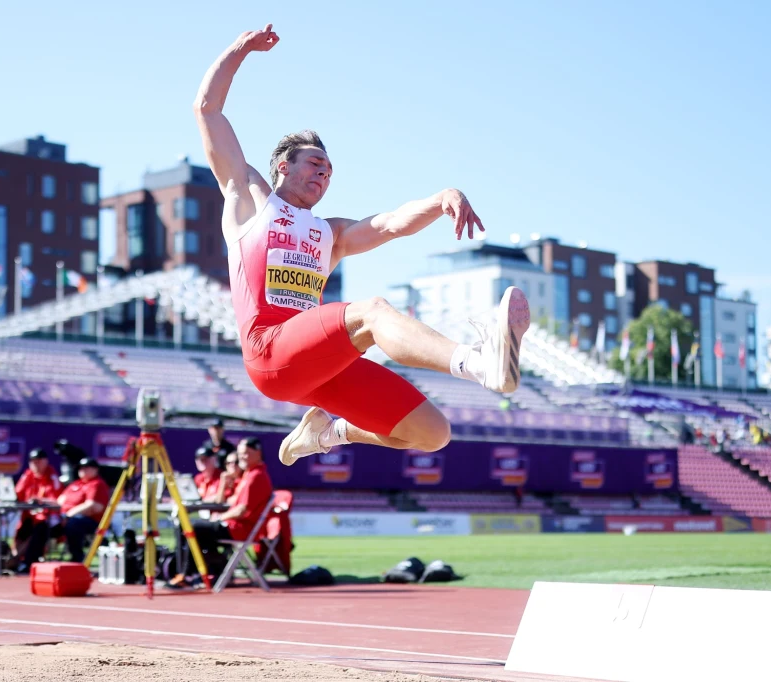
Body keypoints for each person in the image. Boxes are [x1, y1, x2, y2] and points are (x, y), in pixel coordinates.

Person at [194, 25, 530, 468]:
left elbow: (390, 224)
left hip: (317, 367)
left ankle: (325, 433)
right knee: (372, 312)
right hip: (269, 350)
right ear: (282, 166)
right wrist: (240, 49)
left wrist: (439, 199)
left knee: (431, 433)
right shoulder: (249, 196)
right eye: (315, 163)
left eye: (329, 171)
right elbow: (208, 110)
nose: (323, 174)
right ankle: (481, 363)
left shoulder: (330, 234)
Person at [185, 437, 273, 580]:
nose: (241, 458)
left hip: (240, 529)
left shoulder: (255, 476)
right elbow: (234, 502)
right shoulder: (249, 475)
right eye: (239, 454)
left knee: (192, 527)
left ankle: (190, 574)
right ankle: (208, 570)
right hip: (237, 526)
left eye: (245, 453)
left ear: (258, 452)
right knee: (197, 528)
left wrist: (220, 518)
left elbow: (241, 510)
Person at [10, 448, 61, 572]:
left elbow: (57, 501)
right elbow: (17, 494)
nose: (36, 464)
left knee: (39, 529)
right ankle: (14, 559)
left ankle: (27, 562)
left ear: (46, 461)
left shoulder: (51, 476)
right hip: (30, 516)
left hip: (50, 518)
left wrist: (40, 500)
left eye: (39, 461)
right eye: (33, 461)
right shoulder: (28, 475)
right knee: (22, 529)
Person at [55, 457, 111, 563]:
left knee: (74, 523)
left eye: (86, 468)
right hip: (63, 517)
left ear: (95, 469)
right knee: (41, 524)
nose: (82, 470)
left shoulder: (97, 484)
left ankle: (77, 558)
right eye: (81, 468)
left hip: (91, 521)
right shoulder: (75, 484)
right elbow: (59, 501)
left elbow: (94, 506)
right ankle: (31, 560)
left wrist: (69, 515)